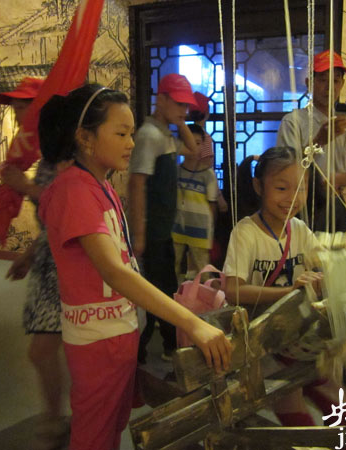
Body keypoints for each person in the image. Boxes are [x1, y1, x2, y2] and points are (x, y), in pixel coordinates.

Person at [37, 84, 232, 450]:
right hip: (98, 340)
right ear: (85, 137)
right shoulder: (74, 191)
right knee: (94, 437)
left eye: (131, 133)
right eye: (121, 134)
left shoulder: (99, 185)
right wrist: (190, 322)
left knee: (109, 428)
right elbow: (114, 271)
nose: (130, 143)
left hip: (116, 333)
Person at [224, 146, 346, 429]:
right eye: (281, 188)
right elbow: (233, 290)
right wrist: (290, 292)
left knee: (342, 406)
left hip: (298, 337)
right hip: (261, 342)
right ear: (259, 187)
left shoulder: (299, 230)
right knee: (293, 409)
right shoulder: (246, 233)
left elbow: (326, 264)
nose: (292, 198)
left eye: (300, 189)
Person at [0, 77, 71, 450]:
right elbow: (51, 220)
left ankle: (55, 420)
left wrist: (23, 186)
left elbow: (67, 204)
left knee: (42, 351)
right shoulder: (47, 156)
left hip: (63, 268)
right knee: (51, 350)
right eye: (15, 108)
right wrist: (29, 254)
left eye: (23, 107)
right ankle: (59, 417)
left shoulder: (63, 157)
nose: (17, 115)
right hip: (47, 263)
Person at [128, 74, 199, 363]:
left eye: (187, 105)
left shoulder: (165, 133)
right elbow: (136, 184)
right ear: (162, 99)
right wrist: (139, 235)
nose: (185, 110)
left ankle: (161, 345)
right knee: (155, 291)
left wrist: (180, 123)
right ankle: (158, 348)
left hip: (162, 229)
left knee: (162, 287)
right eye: (179, 103)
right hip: (152, 230)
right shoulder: (149, 135)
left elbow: (194, 150)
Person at [276, 50, 346, 233]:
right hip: (304, 206)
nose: (330, 87)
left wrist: (338, 179)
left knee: (337, 251)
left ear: (342, 85)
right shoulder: (293, 122)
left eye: (335, 81)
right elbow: (284, 169)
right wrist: (319, 140)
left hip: (336, 204)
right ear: (309, 83)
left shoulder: (342, 126)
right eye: (322, 80)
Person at [172, 123, 219, 282]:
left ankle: (208, 296)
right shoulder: (176, 171)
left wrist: (211, 230)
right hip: (177, 227)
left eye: (198, 143)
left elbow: (212, 204)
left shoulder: (208, 174)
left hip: (200, 228)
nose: (194, 147)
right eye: (189, 142)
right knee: (173, 266)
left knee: (203, 269)